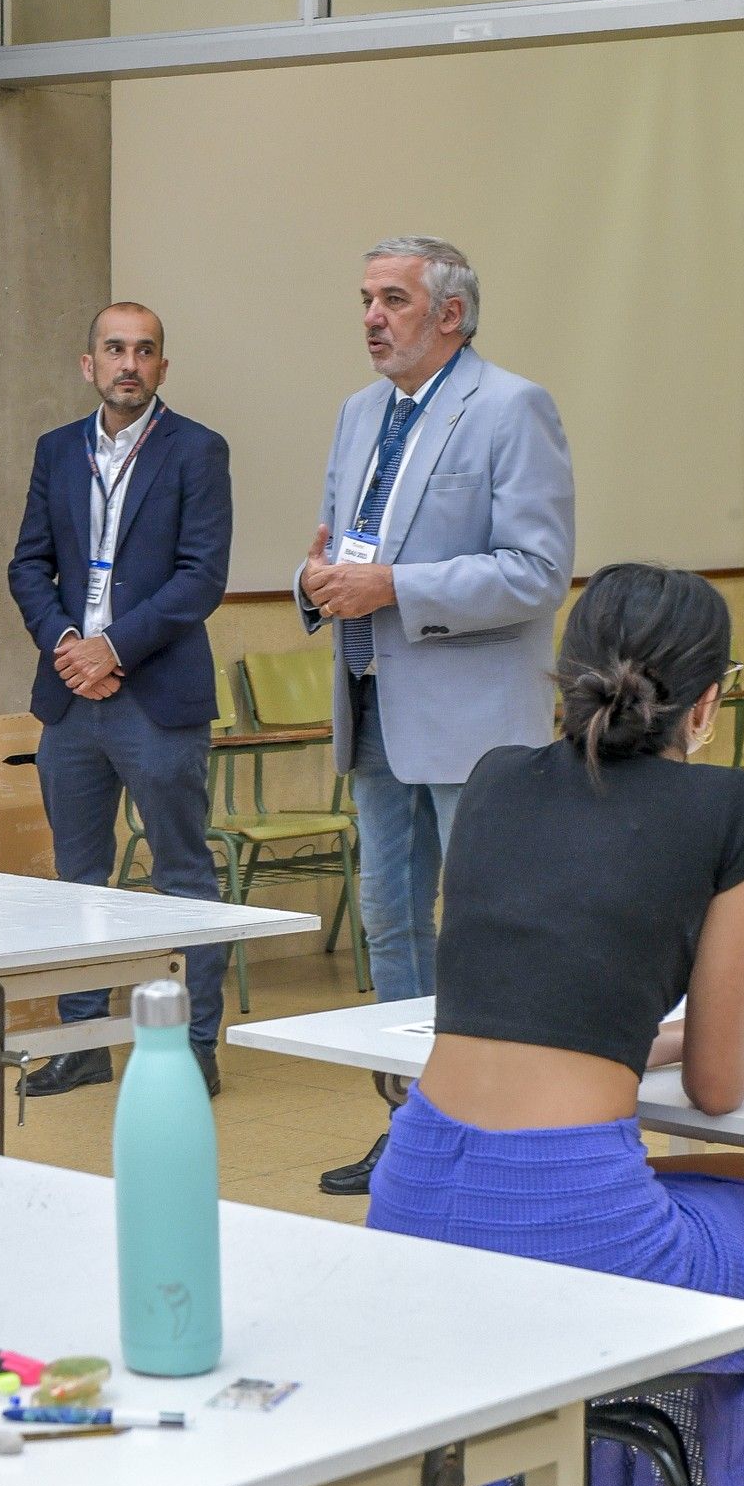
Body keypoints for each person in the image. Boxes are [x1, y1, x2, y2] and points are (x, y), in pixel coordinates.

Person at [368, 562, 744, 1486]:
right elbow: (720, 1090)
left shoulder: (494, 780)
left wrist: (668, 1037)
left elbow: (541, 1015)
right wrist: (735, 1037)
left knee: (716, 1193)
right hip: (567, 1228)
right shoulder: (728, 809)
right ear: (709, 702)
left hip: (412, 1203)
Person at [297, 237, 574, 1194]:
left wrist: (396, 587)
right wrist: (311, 581)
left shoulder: (511, 406)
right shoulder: (358, 413)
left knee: (488, 931)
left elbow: (538, 572)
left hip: (475, 724)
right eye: (365, 299)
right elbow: (338, 548)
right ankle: (413, 1128)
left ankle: (501, 1135)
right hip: (372, 703)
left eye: (394, 299)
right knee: (391, 925)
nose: (371, 318)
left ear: (451, 314)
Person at [8, 303, 232, 1097]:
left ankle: (195, 1045)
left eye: (144, 351)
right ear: (89, 364)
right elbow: (28, 566)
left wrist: (115, 649)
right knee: (78, 879)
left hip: (157, 697)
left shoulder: (197, 450)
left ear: (162, 367)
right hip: (72, 699)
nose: (128, 363)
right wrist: (70, 645)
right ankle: (83, 1042)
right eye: (114, 349)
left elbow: (201, 577)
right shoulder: (56, 450)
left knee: (183, 877)